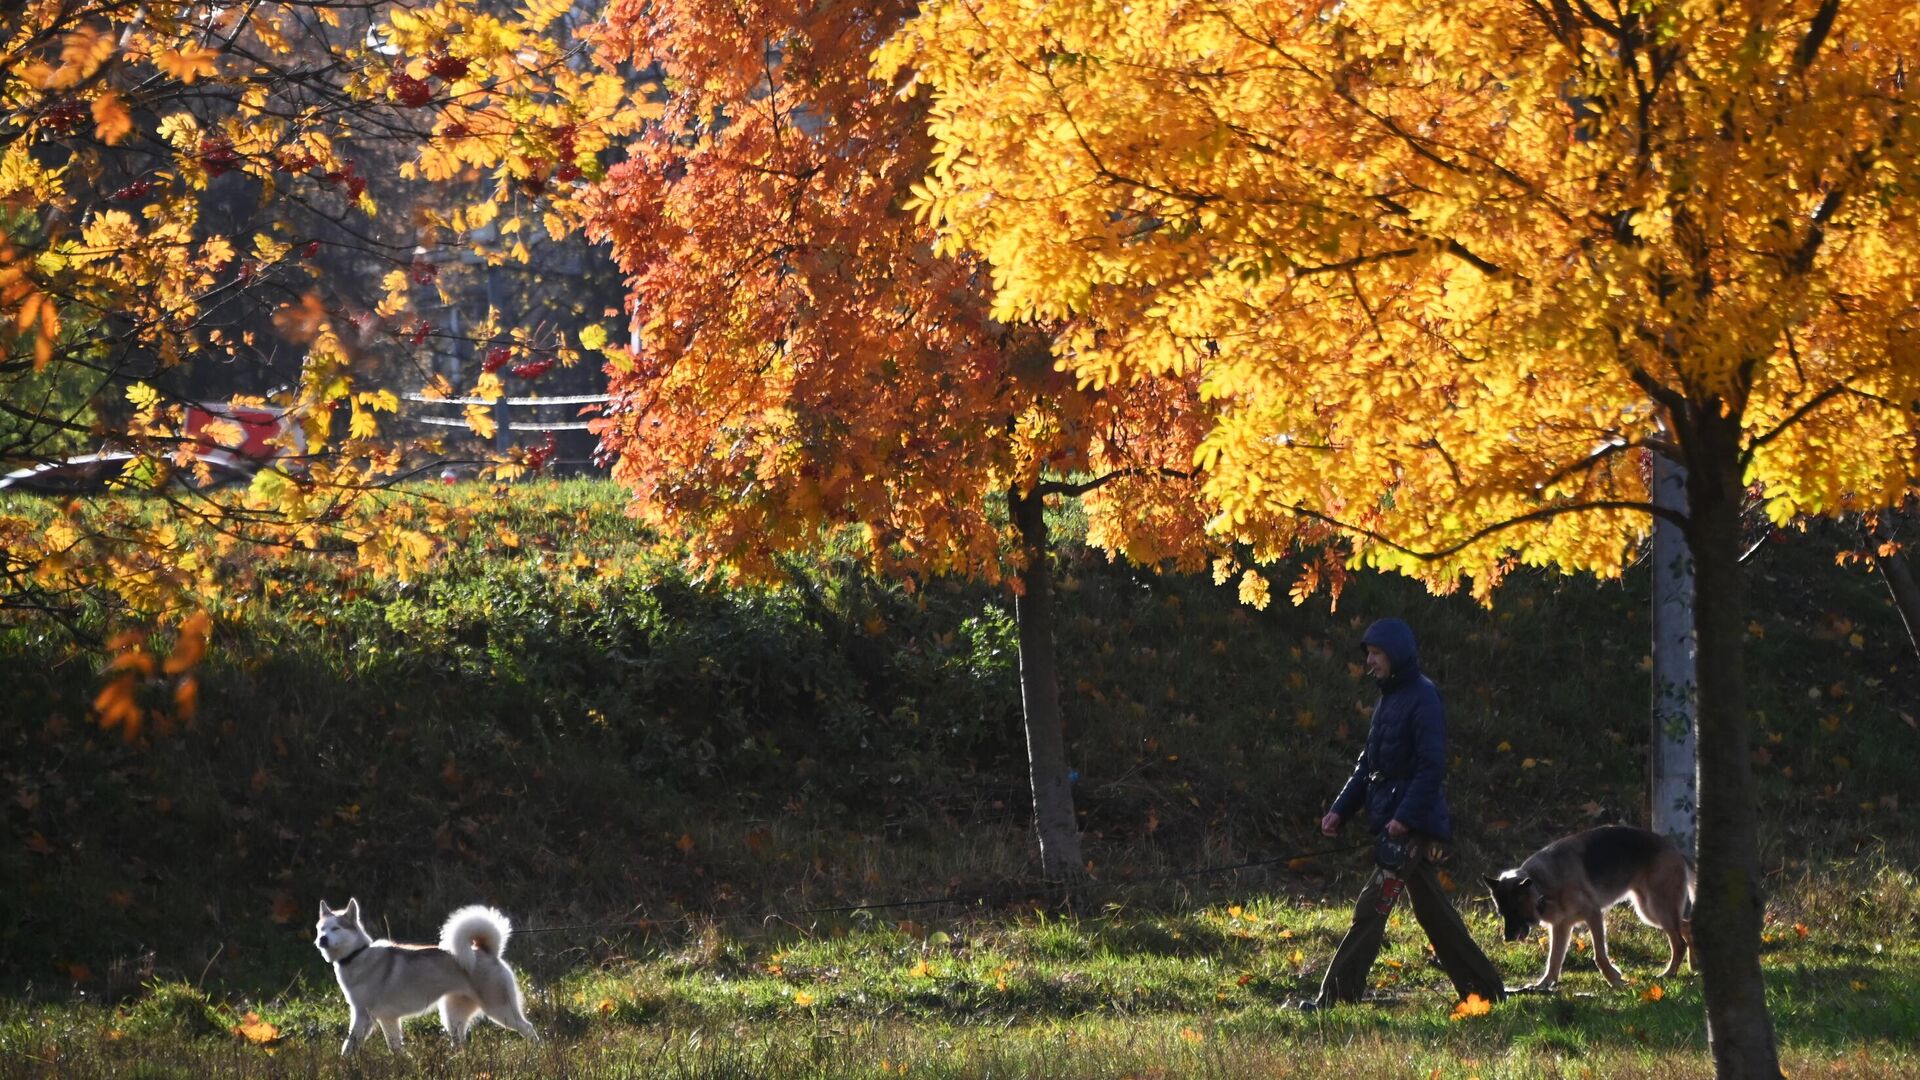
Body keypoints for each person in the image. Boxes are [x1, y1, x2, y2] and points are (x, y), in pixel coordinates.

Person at [1298, 617, 1506, 1010]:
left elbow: (1432, 767)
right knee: (1435, 914)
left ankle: (1336, 1000)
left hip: (1409, 828)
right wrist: (1339, 811)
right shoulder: (1388, 699)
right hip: (1394, 823)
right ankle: (1486, 991)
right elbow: (1368, 765)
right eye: (1369, 654)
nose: (1370, 662)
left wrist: (1406, 819)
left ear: (1396, 655)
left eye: (1376, 654)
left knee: (1371, 906)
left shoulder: (1423, 697)